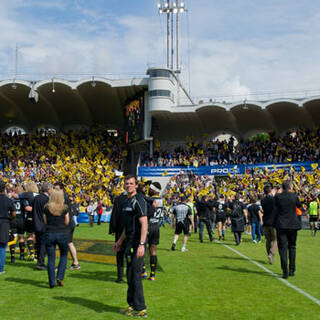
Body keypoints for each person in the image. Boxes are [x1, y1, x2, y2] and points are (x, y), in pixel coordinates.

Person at [113, 174, 148, 317]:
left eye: (131, 183)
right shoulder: (127, 201)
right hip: (128, 242)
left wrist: (141, 244)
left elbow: (144, 223)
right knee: (129, 274)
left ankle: (141, 308)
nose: (128, 185)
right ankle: (132, 304)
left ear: (136, 185)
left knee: (135, 275)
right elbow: (127, 227)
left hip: (136, 243)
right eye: (126, 183)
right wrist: (120, 241)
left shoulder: (139, 201)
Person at [274, 180, 302, 279]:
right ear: (290, 187)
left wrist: (280, 190)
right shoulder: (294, 196)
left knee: (283, 249)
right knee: (292, 247)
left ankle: (285, 271)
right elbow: (299, 205)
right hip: (293, 225)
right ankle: (291, 270)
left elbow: (275, 198)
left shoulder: (278, 197)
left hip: (281, 225)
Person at [43, 189, 70, 288]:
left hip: (49, 233)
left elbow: (45, 221)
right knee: (63, 255)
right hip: (62, 233)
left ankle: (52, 282)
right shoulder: (64, 208)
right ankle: (60, 276)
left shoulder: (46, 208)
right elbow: (67, 222)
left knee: (51, 258)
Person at [53, 183, 80, 270]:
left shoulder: (62, 197)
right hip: (69, 223)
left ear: (61, 189)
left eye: (56, 188)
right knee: (69, 243)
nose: (54, 190)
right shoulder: (64, 197)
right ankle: (75, 263)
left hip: (66, 223)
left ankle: (65, 264)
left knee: (65, 244)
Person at [142, 181, 164, 281]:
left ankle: (143, 271)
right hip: (156, 227)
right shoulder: (161, 200)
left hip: (148, 226)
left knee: (142, 247)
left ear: (154, 190)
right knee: (153, 251)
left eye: (150, 188)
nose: (148, 190)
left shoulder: (150, 200)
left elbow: (143, 197)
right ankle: (153, 275)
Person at [109, 192, 127, 283]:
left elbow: (114, 215)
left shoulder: (119, 199)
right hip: (131, 231)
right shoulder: (137, 198)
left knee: (120, 254)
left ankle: (120, 277)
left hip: (120, 230)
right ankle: (130, 276)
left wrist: (112, 229)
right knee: (130, 255)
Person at [0, 180, 16, 274]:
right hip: (4, 223)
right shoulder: (8, 200)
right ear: (4, 189)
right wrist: (9, 219)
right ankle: (0, 269)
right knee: (2, 246)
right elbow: (13, 214)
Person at [32, 182, 49, 270]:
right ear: (48, 189)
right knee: (43, 244)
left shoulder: (36, 198)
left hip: (36, 223)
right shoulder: (46, 199)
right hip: (43, 224)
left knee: (38, 243)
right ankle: (41, 263)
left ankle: (39, 260)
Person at [261, 185, 277, 264]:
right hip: (273, 222)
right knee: (275, 240)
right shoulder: (274, 199)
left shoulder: (263, 200)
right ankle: (271, 253)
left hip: (266, 222)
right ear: (270, 191)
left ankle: (269, 255)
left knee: (268, 240)